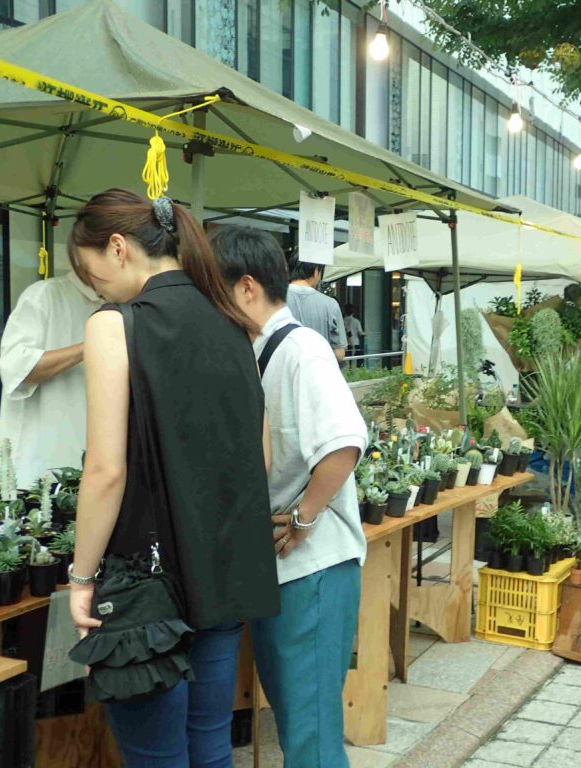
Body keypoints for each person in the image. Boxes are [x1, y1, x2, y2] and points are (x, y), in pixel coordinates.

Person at [67, 190, 280, 768]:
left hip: (145, 585)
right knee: (210, 745)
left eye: (91, 273)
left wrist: (81, 577)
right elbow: (258, 458)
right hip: (222, 572)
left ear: (118, 248)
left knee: (155, 758)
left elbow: (106, 471)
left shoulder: (115, 326)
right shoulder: (233, 321)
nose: (96, 289)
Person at [211, 226, 366, 768]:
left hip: (313, 568)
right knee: (298, 724)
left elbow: (344, 442)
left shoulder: (303, 349)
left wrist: (303, 518)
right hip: (287, 570)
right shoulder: (262, 350)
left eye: (215, 291)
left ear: (247, 287)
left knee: (310, 736)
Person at [0, 264, 103, 487]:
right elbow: (15, 367)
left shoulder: (125, 301)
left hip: (98, 458)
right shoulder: (44, 295)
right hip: (42, 457)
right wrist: (87, 347)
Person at [286, 253, 347, 362]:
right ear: (316, 271)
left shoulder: (273, 299)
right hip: (319, 369)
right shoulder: (330, 304)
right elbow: (339, 353)